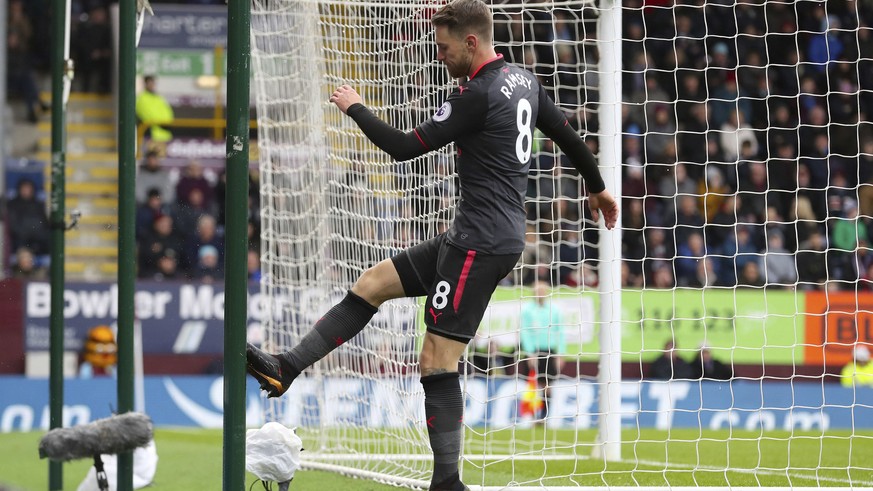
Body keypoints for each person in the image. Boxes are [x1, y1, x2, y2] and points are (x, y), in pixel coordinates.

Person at [245, 2, 618, 490]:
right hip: (476, 233)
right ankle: (286, 367)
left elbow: (403, 149)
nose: (437, 56)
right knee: (372, 283)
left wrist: (354, 105)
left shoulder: (478, 94)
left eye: (443, 47)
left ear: (470, 42)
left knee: (437, 359)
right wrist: (597, 184)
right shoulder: (524, 80)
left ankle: (447, 482)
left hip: (479, 244)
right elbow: (567, 134)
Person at [519, 281, 565, 420]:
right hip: (534, 352)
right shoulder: (527, 310)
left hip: (549, 351)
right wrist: (530, 352)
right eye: (538, 291)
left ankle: (545, 416)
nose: (540, 294)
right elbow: (525, 332)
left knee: (547, 385)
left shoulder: (554, 310)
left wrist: (561, 354)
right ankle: (533, 415)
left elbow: (560, 331)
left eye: (543, 291)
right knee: (534, 383)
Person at [135, 75, 174, 144]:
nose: (151, 85)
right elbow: (148, 115)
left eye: (153, 82)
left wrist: (166, 122)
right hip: (151, 137)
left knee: (162, 154)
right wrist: (162, 122)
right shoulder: (141, 98)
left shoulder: (159, 98)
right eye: (149, 83)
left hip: (164, 136)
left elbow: (168, 113)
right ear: (145, 84)